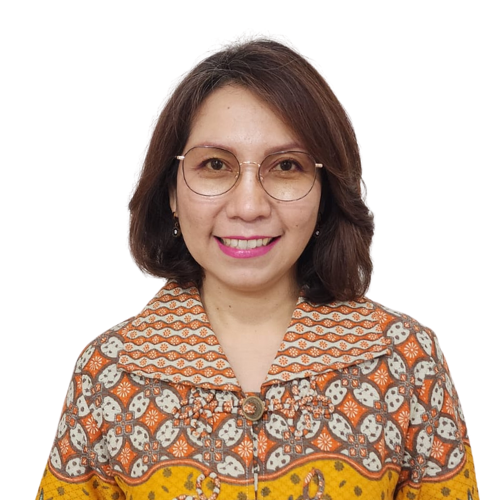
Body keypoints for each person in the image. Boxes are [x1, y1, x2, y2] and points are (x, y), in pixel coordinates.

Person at [36, 39, 479, 500]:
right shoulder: (109, 372)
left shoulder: (404, 361)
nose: (248, 207)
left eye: (286, 166)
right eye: (215, 165)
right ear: (171, 192)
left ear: (325, 190)